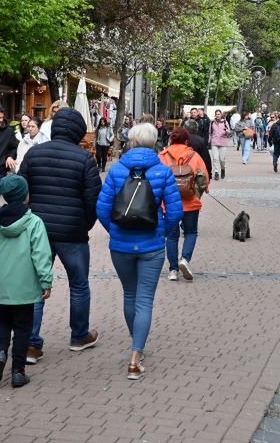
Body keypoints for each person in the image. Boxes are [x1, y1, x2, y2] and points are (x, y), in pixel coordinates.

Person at [97, 123, 182, 379]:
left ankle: (137, 340)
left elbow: (102, 208)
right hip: (152, 245)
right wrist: (162, 232)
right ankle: (136, 354)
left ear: (131, 141)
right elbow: (175, 211)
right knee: (145, 299)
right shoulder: (163, 171)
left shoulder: (117, 170)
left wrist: (115, 231)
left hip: (121, 244)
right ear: (154, 141)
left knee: (129, 294)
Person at [18, 107, 102, 364]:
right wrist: (85, 224)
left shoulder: (34, 153)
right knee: (79, 284)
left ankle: (31, 344)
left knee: (35, 286)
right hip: (72, 231)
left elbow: (21, 189)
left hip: (38, 230)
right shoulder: (85, 159)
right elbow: (93, 199)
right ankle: (79, 335)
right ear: (77, 131)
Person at [0, 174, 51, 389]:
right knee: (23, 328)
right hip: (26, 285)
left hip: (2, 284)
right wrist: (46, 281)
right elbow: (41, 255)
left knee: (2, 321)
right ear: (26, 195)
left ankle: (1, 351)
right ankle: (18, 370)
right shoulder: (34, 222)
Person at [159, 126, 210, 281]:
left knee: (172, 236)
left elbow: (157, 177)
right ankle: (185, 260)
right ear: (187, 140)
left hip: (169, 202)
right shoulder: (194, 156)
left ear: (171, 140)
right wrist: (200, 191)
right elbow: (203, 178)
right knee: (190, 232)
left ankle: (173, 270)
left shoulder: (162, 155)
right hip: (190, 201)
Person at [208, 109, 232, 180]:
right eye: (216, 114)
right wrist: (209, 141)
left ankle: (222, 169)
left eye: (219, 114)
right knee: (215, 158)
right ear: (215, 115)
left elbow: (229, 131)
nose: (217, 115)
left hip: (223, 142)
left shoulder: (225, 122)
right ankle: (216, 172)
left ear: (221, 115)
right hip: (214, 142)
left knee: (222, 159)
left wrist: (226, 132)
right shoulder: (212, 123)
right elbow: (210, 133)